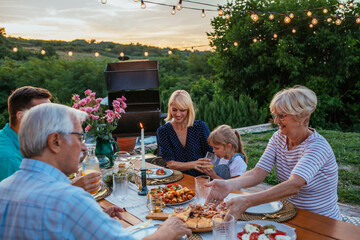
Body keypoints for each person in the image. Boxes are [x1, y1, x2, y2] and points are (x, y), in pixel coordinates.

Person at [0, 103, 191, 239]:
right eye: (79, 137)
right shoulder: (70, 200)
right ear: (55, 141)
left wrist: (89, 221)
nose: (84, 147)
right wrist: (166, 232)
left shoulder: (4, 188)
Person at [205, 86, 341, 220]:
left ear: (302, 117)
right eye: (275, 115)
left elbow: (294, 186)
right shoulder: (278, 137)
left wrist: (247, 201)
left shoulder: (317, 147)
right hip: (289, 213)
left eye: (281, 116)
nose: (276, 121)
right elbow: (257, 173)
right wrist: (230, 185)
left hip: (321, 220)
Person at [0, 86, 100, 194]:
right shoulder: (8, 158)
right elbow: (27, 203)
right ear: (22, 116)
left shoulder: (21, 139)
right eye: (44, 114)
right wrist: (73, 188)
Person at [157, 90, 212, 177]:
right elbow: (170, 164)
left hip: (202, 178)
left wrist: (207, 166)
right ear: (169, 108)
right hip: (177, 180)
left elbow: (211, 153)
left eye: (182, 110)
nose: (178, 114)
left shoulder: (200, 127)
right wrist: (193, 164)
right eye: (174, 110)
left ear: (188, 110)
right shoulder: (163, 131)